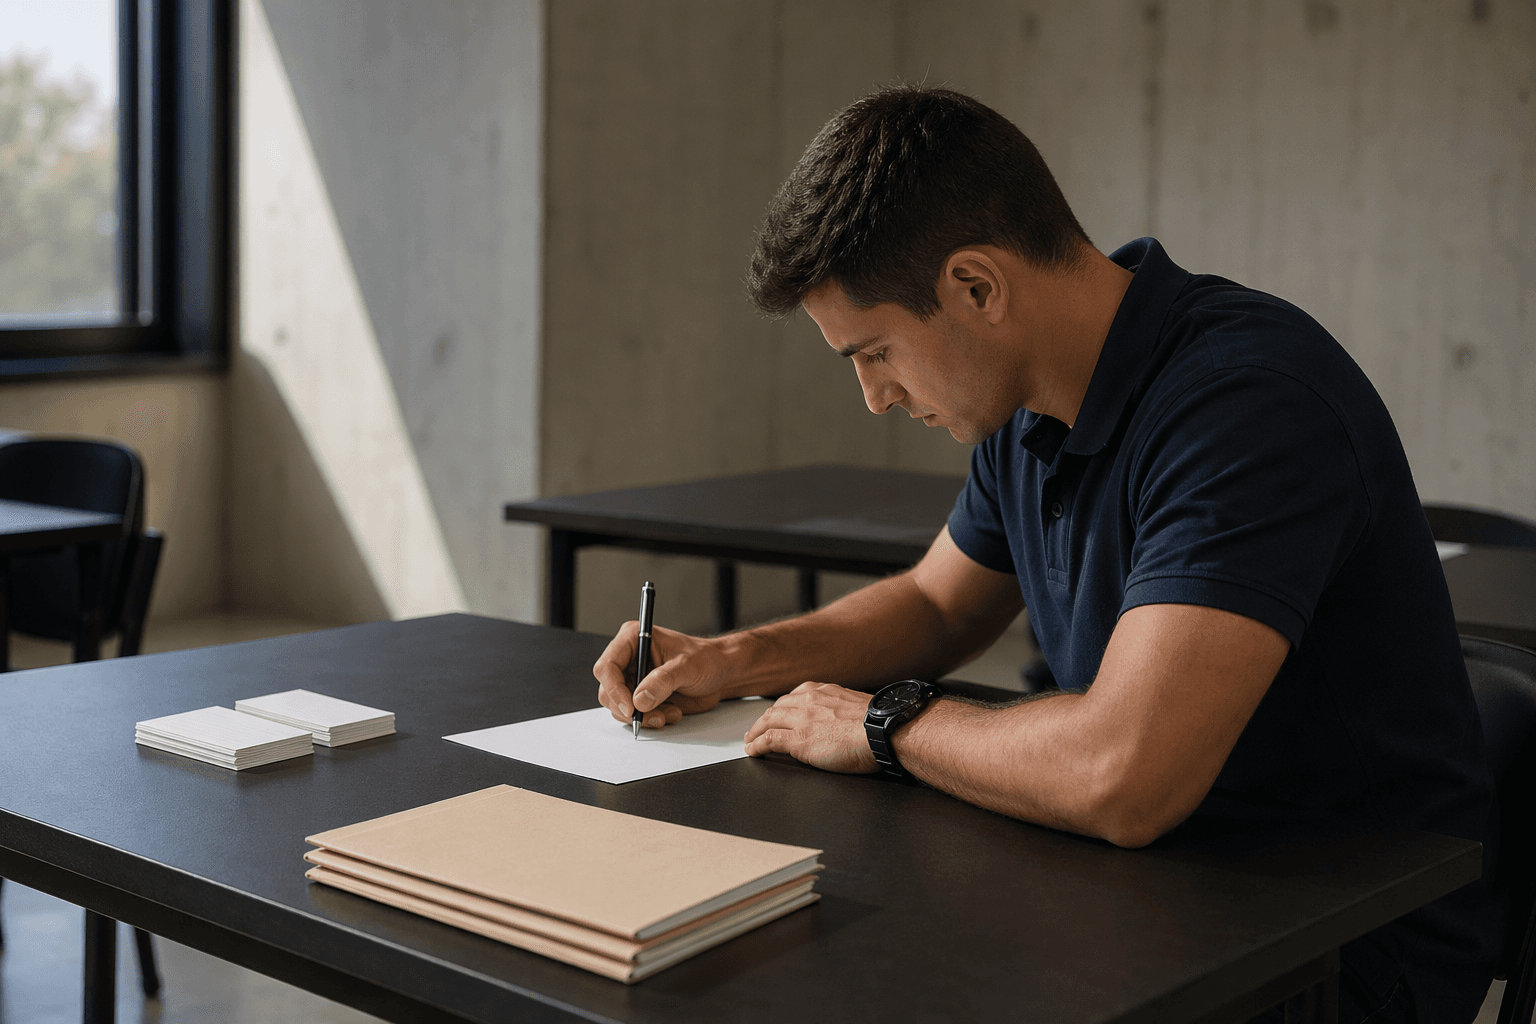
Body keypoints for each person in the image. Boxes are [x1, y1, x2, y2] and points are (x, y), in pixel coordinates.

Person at [593, 85, 1498, 1023]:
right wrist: (733, 662)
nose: (875, 396)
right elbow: (940, 606)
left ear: (976, 288)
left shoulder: (1248, 403)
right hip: (1153, 892)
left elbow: (1123, 776)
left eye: (874, 354)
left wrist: (883, 723)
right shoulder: (1022, 404)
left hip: (1342, 948)